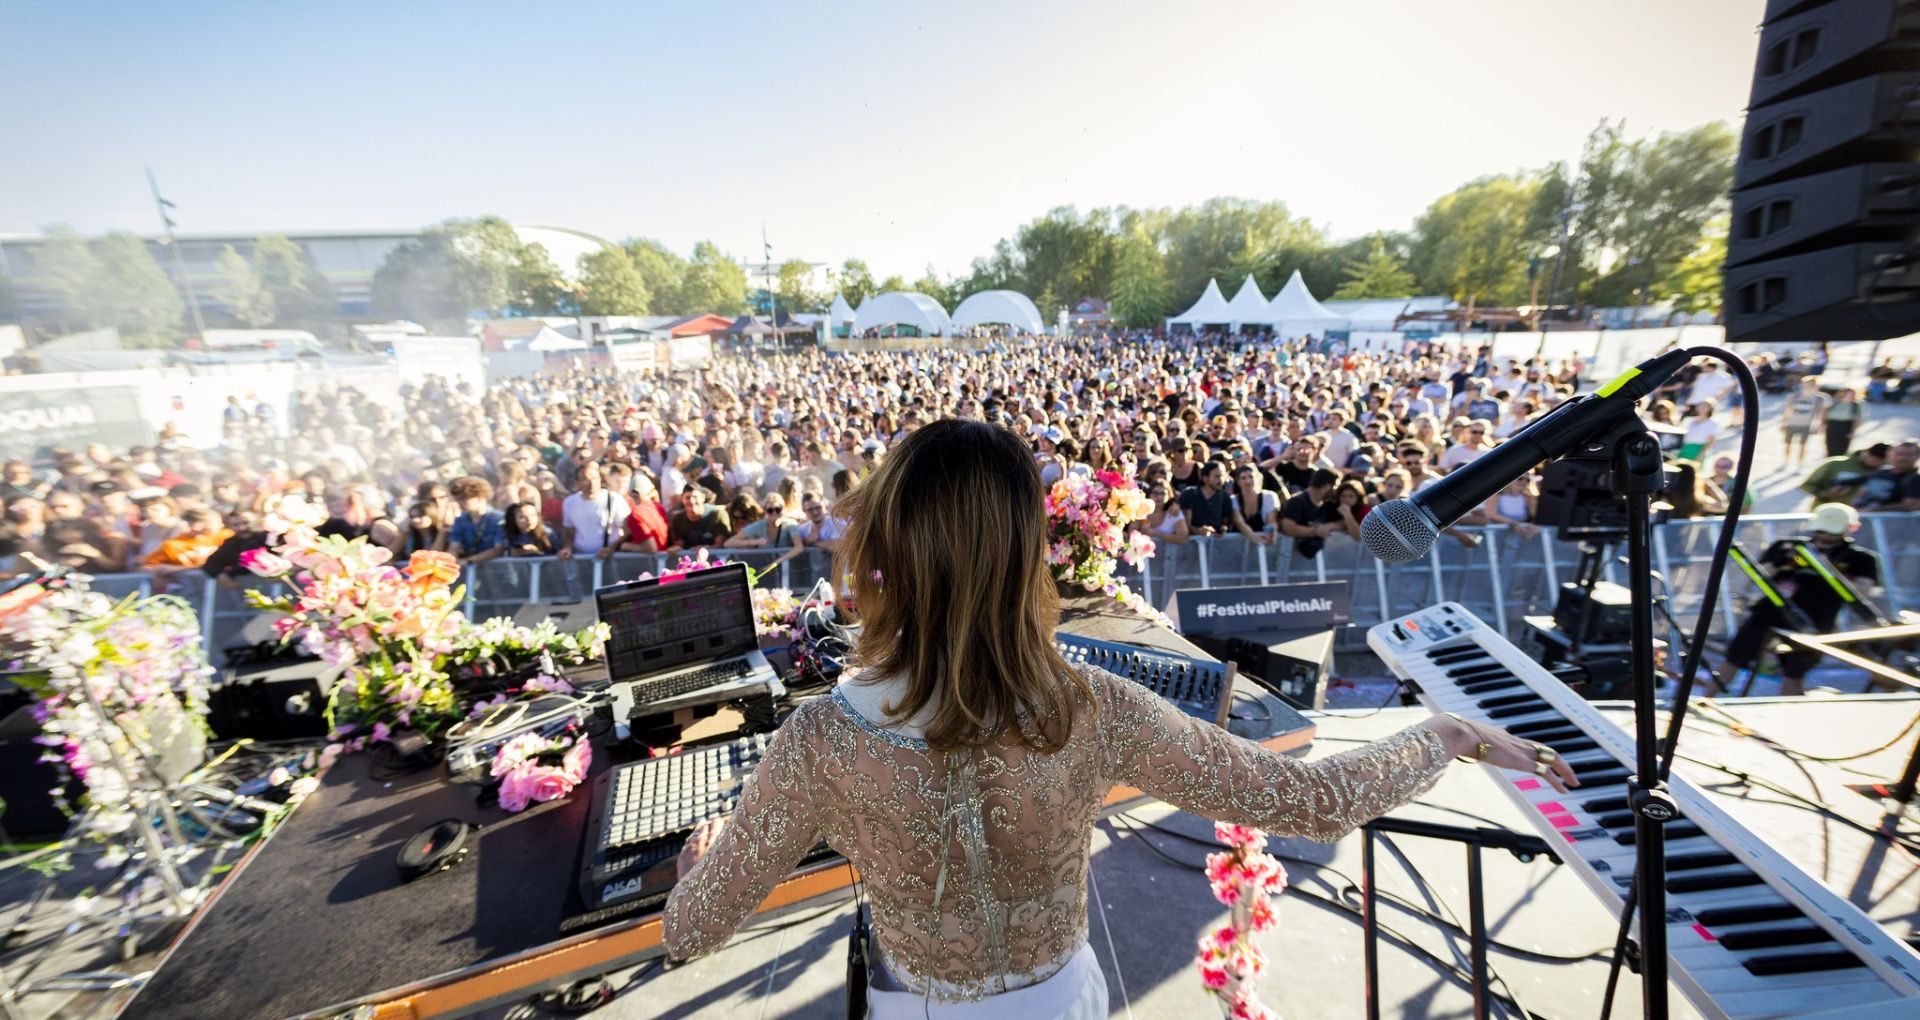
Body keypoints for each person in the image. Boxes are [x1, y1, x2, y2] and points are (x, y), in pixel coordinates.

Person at [660, 419, 1575, 1019]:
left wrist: (703, 863)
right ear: (1027, 558)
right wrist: (1444, 735)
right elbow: (1313, 801)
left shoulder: (823, 738)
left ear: (885, 550)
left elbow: (690, 934)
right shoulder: (1092, 708)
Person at [1719, 503, 1881, 696]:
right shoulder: (1788, 547)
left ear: (1852, 528)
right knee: (1734, 659)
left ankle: (1790, 709)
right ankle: (1703, 699)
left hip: (1814, 620)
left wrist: (1827, 569)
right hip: (1770, 613)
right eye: (1821, 530)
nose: (1825, 536)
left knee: (1795, 672)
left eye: (1831, 532)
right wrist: (1782, 561)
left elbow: (1863, 590)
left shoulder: (1860, 558)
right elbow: (1760, 575)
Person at [558, 463, 630, 561]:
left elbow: (628, 530)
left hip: (610, 558)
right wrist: (568, 547)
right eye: (585, 479)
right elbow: (569, 531)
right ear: (577, 482)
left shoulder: (614, 499)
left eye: (595, 478)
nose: (592, 483)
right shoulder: (569, 502)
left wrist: (611, 548)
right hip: (582, 558)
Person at [1799, 443, 1888, 509]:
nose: (1876, 463)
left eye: (1881, 461)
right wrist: (1826, 494)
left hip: (1862, 518)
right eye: (1875, 459)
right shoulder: (1836, 464)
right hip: (1826, 513)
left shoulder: (1884, 472)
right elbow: (1807, 485)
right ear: (1866, 452)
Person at [447, 476, 507, 565]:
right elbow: (454, 548)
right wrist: (452, 562)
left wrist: (469, 560)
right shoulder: (460, 520)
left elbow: (499, 549)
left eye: (464, 498)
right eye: (457, 499)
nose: (459, 503)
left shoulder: (499, 519)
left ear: (480, 497)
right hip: (472, 572)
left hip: (499, 571)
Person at [1779, 377, 1829, 469]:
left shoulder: (1819, 398)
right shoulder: (1794, 396)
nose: (1809, 386)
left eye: (1812, 384)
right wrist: (1783, 423)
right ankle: (1785, 462)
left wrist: (1818, 426)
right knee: (1787, 444)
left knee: (1803, 446)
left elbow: (1821, 413)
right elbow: (1787, 410)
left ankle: (1800, 464)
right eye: (1808, 383)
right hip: (1791, 423)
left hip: (1806, 425)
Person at [1857, 440, 1920, 512]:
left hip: (1888, 521)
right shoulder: (1882, 472)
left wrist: (1872, 510)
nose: (1902, 458)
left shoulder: (1915, 479)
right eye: (1899, 454)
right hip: (1861, 517)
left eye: (1908, 455)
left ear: (1917, 456)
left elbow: (1910, 506)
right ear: (1889, 454)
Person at [1177, 460, 1232, 537]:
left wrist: (1223, 528)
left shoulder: (1225, 497)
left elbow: (1225, 522)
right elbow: (1186, 525)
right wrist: (1199, 531)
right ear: (1205, 478)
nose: (1221, 480)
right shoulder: (1189, 494)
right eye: (1217, 476)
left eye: (1222, 476)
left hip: (1215, 545)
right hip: (1191, 544)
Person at [1227, 465, 1279, 545]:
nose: (1248, 481)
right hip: (1237, 545)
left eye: (1251, 476)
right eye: (1243, 478)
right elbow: (1239, 522)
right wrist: (1254, 538)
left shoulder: (1269, 497)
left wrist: (1269, 536)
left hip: (1263, 544)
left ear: (1258, 478)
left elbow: (1271, 521)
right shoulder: (1233, 500)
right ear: (1238, 482)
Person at [1822, 387, 1866, 458]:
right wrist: (1822, 425)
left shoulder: (1855, 405)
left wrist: (1852, 432)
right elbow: (1825, 413)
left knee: (1842, 448)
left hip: (1846, 427)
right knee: (1830, 446)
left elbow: (1857, 420)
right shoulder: (1834, 402)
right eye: (1847, 394)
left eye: (1851, 394)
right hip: (1832, 426)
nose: (1849, 396)